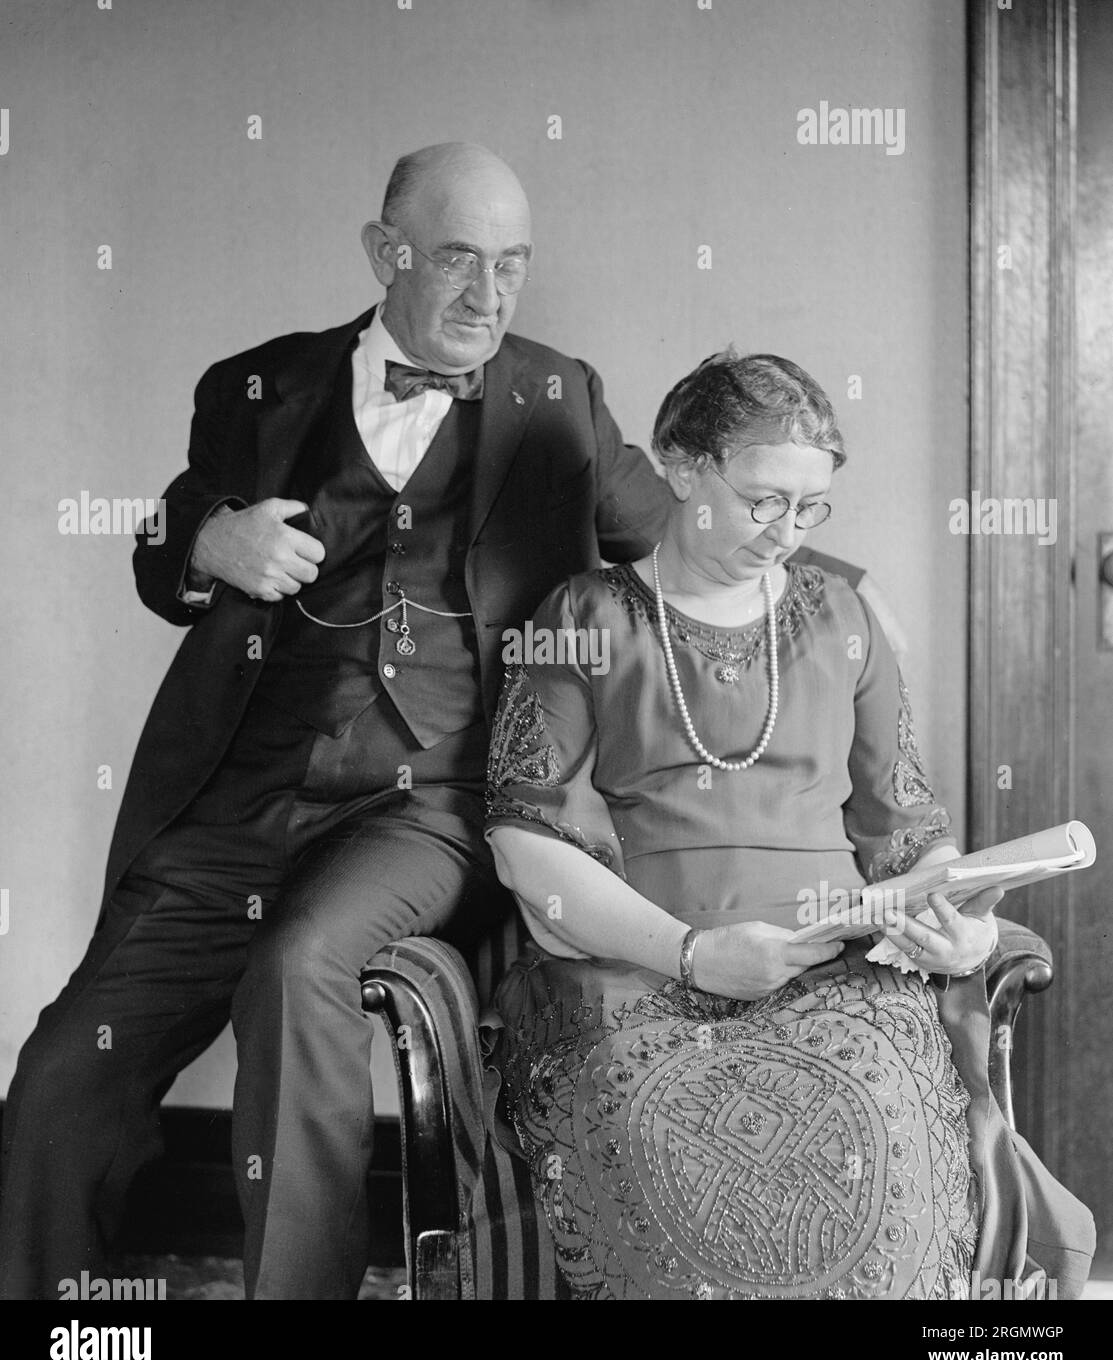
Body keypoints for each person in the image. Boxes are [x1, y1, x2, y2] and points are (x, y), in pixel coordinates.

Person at [0, 142, 673, 1301]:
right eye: (459, 259)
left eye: (512, 264)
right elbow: (167, 537)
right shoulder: (260, 385)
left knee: (299, 960)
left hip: (428, 805)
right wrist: (209, 541)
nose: (490, 295)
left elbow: (674, 529)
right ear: (385, 251)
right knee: (62, 1067)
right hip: (239, 798)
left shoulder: (558, 393)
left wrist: (817, 593)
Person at [485, 350, 1096, 1300]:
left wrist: (949, 915)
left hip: (841, 970)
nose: (787, 533)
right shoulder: (584, 615)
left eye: (810, 509)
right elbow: (523, 838)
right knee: (667, 1147)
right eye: (765, 500)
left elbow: (904, 828)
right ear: (682, 466)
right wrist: (691, 954)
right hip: (642, 969)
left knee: (879, 1134)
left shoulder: (840, 617)